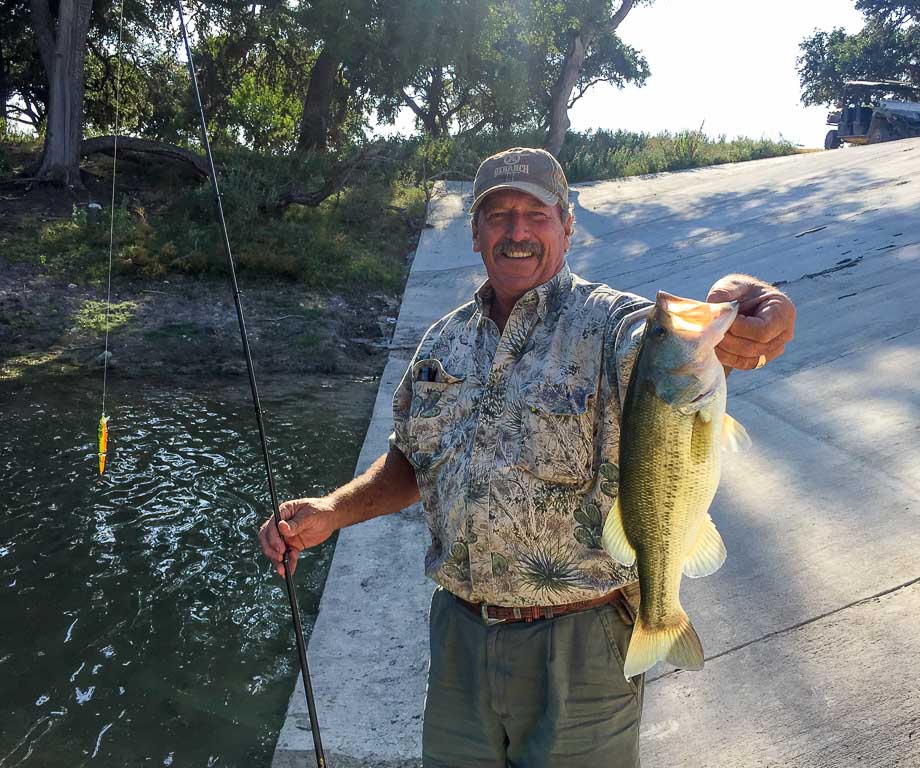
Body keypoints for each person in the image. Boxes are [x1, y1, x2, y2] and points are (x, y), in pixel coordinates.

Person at [259, 147, 796, 767]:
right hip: (459, 639)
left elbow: (667, 352)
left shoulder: (612, 325)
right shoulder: (443, 341)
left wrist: (751, 309)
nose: (517, 231)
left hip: (580, 645)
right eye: (499, 215)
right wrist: (331, 511)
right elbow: (412, 461)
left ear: (567, 226)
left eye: (536, 215)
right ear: (475, 234)